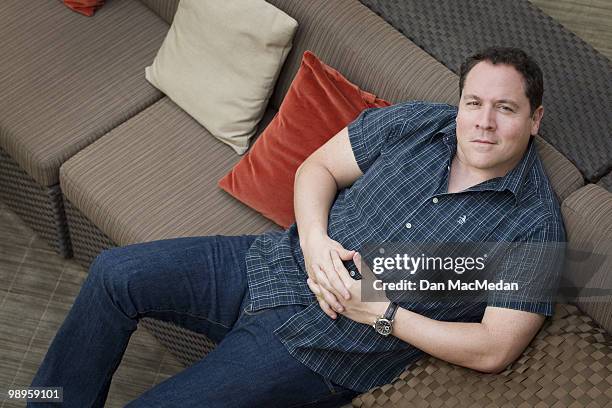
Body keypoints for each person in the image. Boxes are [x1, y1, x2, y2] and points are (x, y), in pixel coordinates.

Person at [29, 46, 565, 407]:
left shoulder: (534, 227)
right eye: (473, 102)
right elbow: (318, 168)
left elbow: (495, 348)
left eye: (505, 109)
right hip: (272, 263)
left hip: (326, 345)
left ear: (534, 119)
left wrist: (382, 314)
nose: (484, 122)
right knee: (114, 272)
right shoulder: (416, 123)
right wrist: (313, 240)